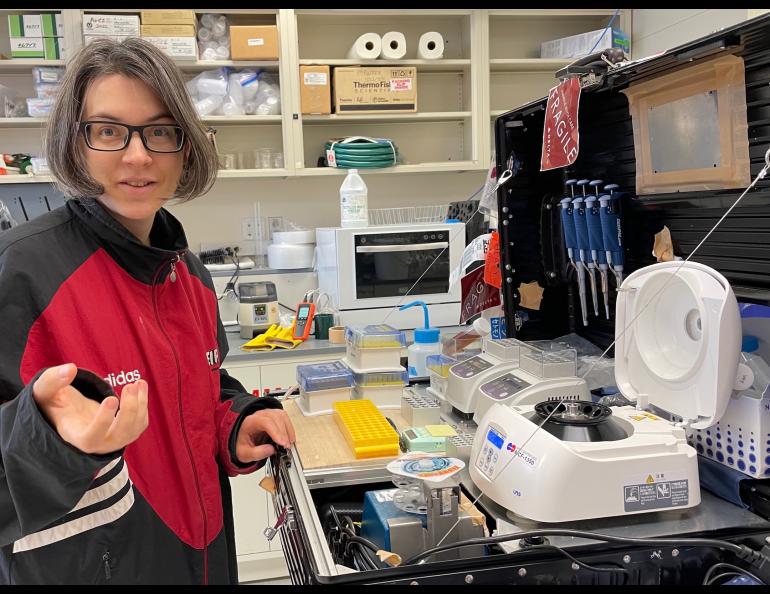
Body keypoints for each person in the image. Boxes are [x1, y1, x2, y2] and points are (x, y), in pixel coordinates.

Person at [0, 37, 296, 585]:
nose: (138, 156)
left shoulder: (190, 275)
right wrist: (48, 435)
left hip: (205, 562)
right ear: (76, 142)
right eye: (109, 131)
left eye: (160, 132)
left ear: (185, 146)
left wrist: (236, 421)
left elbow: (202, 390)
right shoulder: (19, 273)